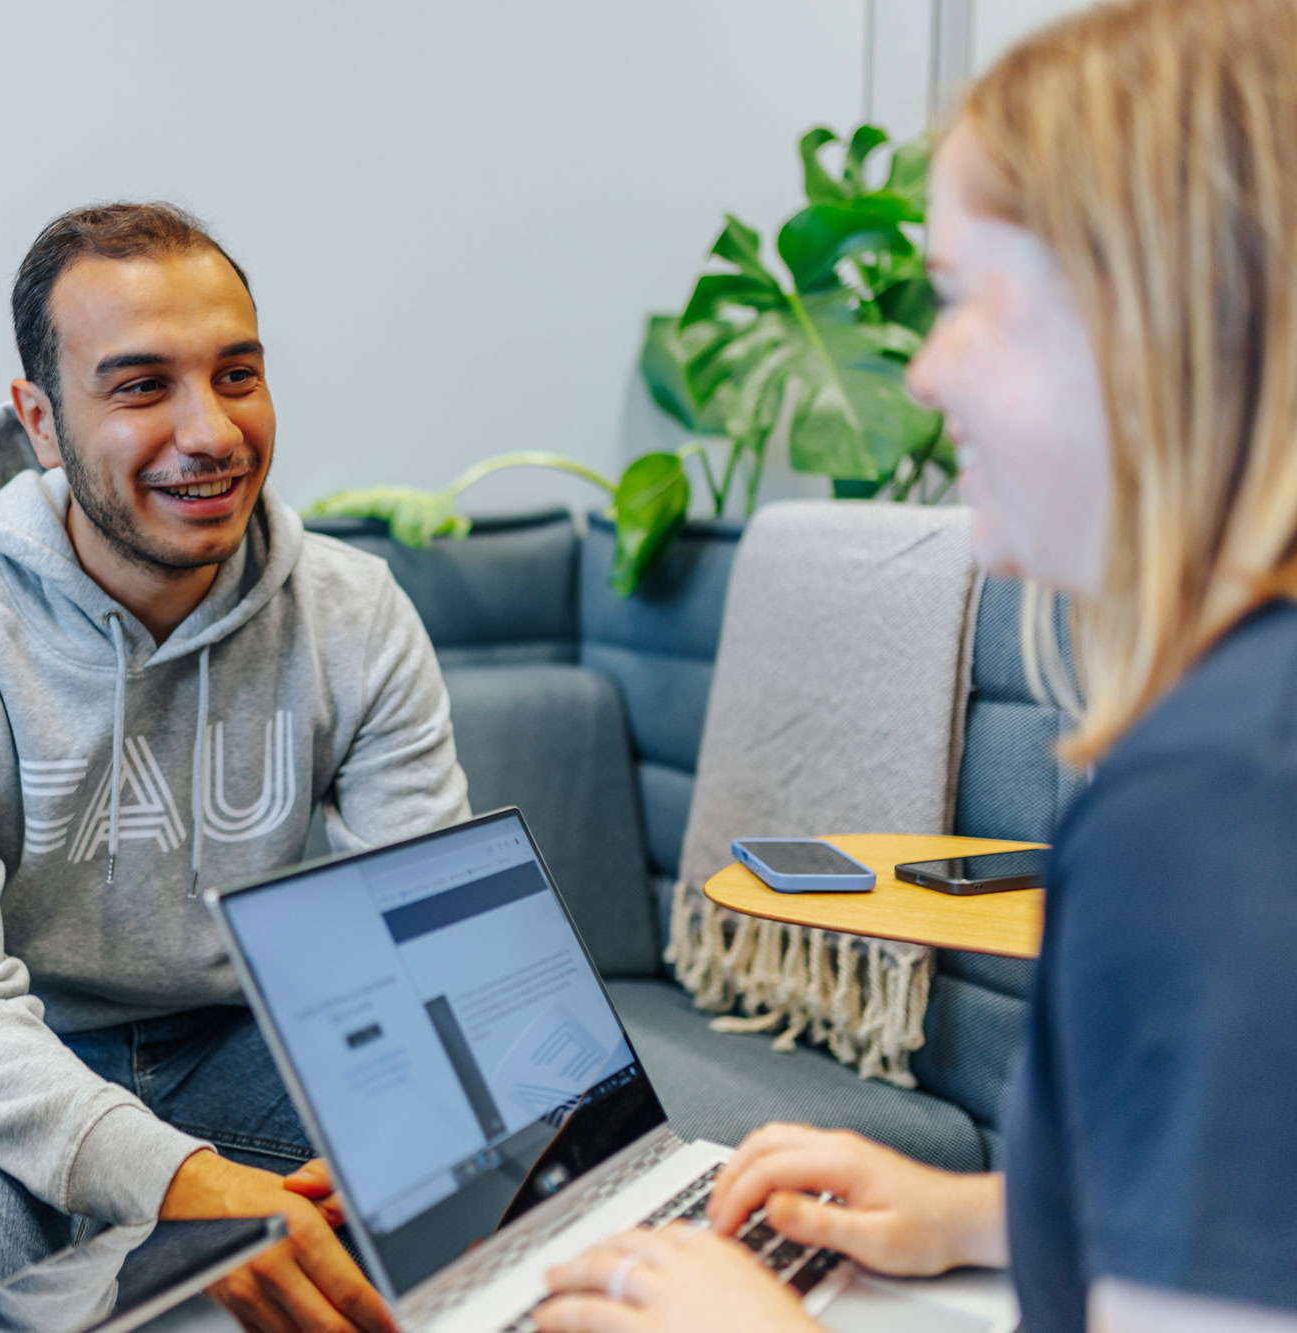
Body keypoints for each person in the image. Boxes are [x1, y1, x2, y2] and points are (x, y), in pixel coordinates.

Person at [533, 2, 1297, 1330]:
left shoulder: (1215, 794)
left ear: (1159, 316)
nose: (926, 376)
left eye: (965, 300)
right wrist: (988, 1214)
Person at [0, 202, 471, 1329]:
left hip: (243, 1038)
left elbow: (418, 941)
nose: (212, 432)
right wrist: (186, 1182)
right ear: (40, 421)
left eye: (237, 375)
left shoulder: (354, 612)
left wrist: (408, 1120)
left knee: (466, 1188)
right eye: (140, 387)